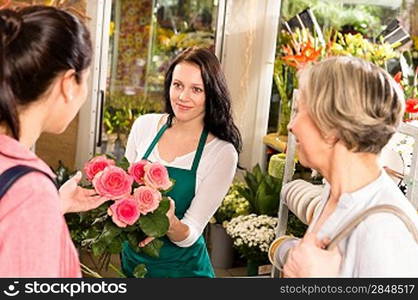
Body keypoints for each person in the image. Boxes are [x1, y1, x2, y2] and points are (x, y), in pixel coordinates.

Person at [283, 56, 418, 277]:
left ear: (332, 127)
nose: (291, 125)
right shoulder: (335, 194)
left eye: (299, 111)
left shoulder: (384, 229)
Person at [0, 6, 108, 277]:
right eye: (86, 78)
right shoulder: (29, 191)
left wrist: (55, 206)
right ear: (69, 83)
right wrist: (39, 205)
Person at [122, 47, 241, 278]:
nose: (182, 97)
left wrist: (170, 223)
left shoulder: (222, 153)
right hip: (131, 265)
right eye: (177, 85)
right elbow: (124, 192)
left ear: (212, 94)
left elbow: (191, 233)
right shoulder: (144, 126)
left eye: (196, 89)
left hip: (183, 272)